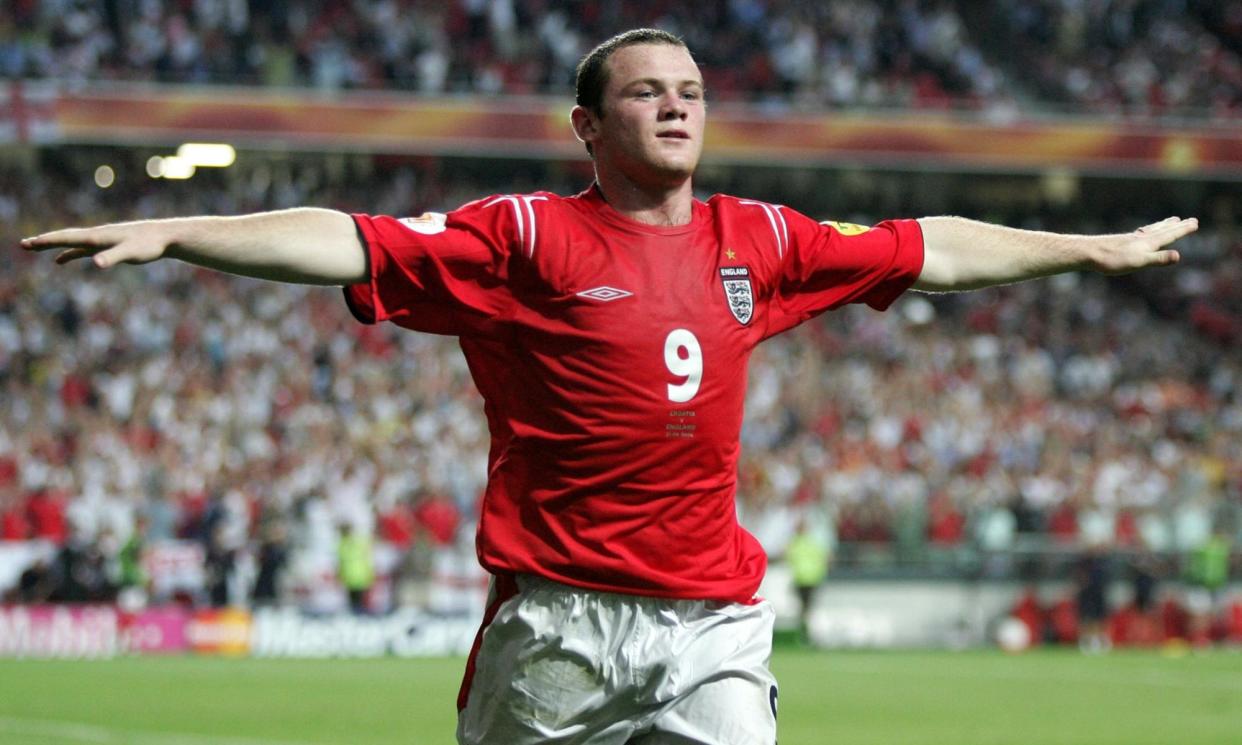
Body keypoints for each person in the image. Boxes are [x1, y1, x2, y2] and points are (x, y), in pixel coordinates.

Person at [20, 27, 1198, 745]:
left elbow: (925, 247)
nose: (678, 103)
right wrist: (178, 229)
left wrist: (1087, 250)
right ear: (589, 124)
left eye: (689, 89)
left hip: (714, 625)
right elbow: (350, 238)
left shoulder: (761, 237)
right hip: (560, 625)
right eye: (647, 91)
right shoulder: (525, 236)